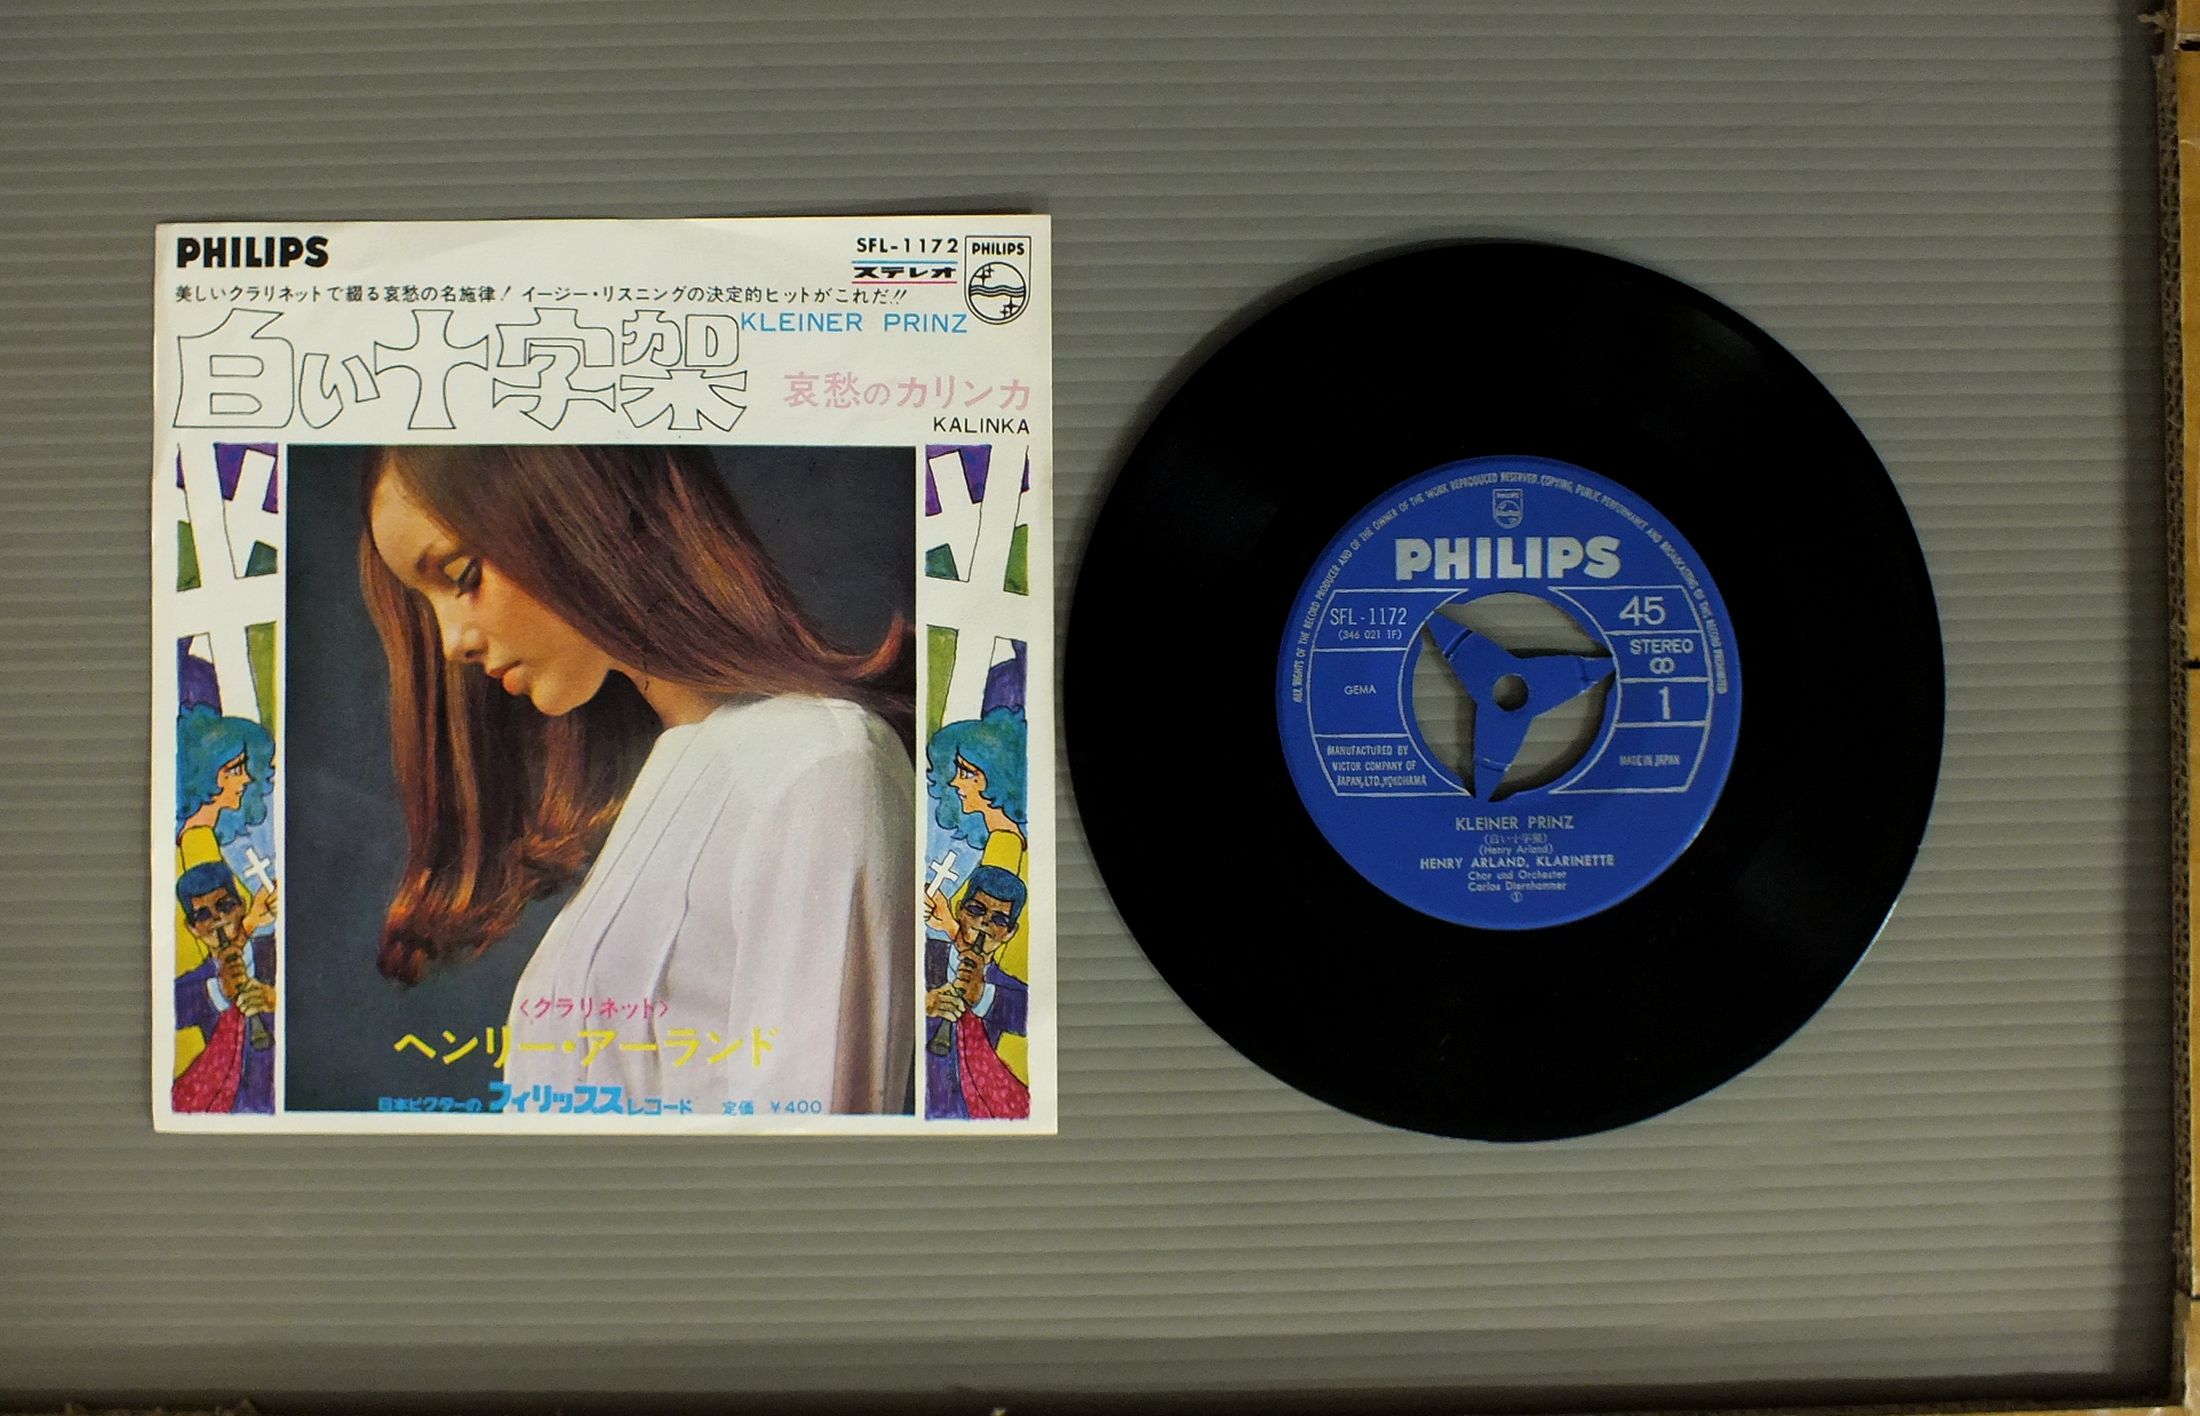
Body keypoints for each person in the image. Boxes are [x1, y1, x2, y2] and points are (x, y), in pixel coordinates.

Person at [358, 444, 915, 1115]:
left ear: (577, 510)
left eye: (461, 574)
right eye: (426, 604)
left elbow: (815, 1164)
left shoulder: (816, 765)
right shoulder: (670, 782)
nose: (452, 641)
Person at [922, 705, 1031, 1084]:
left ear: (997, 779)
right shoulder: (998, 841)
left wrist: (949, 925)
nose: (956, 782)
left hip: (993, 1035)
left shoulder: (1006, 846)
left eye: (968, 773)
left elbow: (986, 943)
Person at [173, 706, 278, 1082]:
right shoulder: (190, 848)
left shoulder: (219, 838)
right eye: (233, 769)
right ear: (205, 775)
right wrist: (250, 923)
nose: (244, 779)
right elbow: (209, 949)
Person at [923, 864, 1029, 1119]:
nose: (984, 923)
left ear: (1009, 933)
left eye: (999, 920)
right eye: (976, 910)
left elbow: (1034, 1016)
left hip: (973, 1112)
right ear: (960, 910)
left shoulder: (1010, 990)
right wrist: (924, 1005)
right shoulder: (925, 955)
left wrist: (981, 994)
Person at [172, 863, 277, 1114]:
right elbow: (167, 1008)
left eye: (225, 906)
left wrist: (275, 1001)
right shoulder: (197, 983)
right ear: (192, 928)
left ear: (242, 905)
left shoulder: (276, 952)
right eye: (202, 915)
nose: (217, 918)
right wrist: (218, 989)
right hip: (233, 1108)